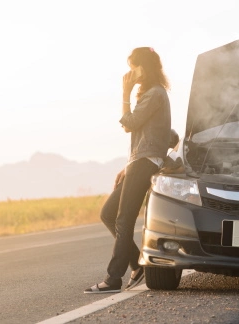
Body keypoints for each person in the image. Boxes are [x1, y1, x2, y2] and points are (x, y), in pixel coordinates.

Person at [84, 47, 172, 293]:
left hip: (145, 163)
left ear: (145, 67)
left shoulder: (155, 93)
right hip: (139, 161)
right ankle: (137, 263)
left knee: (123, 218)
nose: (130, 72)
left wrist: (124, 92)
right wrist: (129, 164)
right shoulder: (151, 94)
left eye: (134, 66)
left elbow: (129, 124)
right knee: (108, 214)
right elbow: (153, 135)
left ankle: (113, 279)